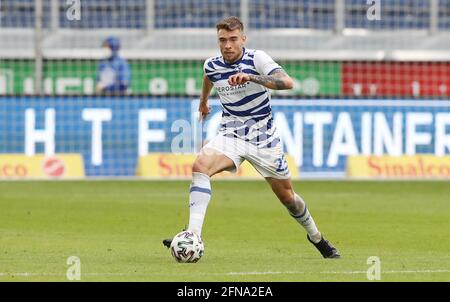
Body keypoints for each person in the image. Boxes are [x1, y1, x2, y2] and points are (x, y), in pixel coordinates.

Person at [163, 16, 340, 259]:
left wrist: (251, 77)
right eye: (222, 40)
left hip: (263, 140)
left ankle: (317, 238)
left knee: (288, 198)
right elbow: (208, 77)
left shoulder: (257, 58)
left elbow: (287, 82)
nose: (227, 45)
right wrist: (204, 102)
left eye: (233, 39)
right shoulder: (212, 65)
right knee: (200, 166)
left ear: (243, 39)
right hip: (231, 134)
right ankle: (192, 235)